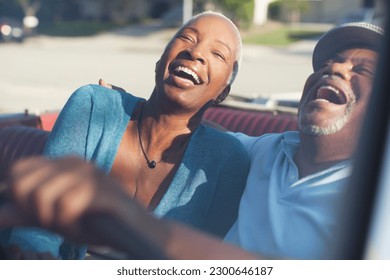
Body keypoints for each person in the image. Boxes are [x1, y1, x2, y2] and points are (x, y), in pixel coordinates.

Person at [0, 21, 384, 260]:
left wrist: (132, 223)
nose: (334, 68)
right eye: (326, 65)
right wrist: (116, 105)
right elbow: (182, 127)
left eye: (362, 70)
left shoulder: (377, 202)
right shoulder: (264, 151)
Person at [0, 11, 250, 259]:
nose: (196, 53)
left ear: (222, 93)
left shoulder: (228, 160)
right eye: (187, 38)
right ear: (160, 60)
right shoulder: (94, 105)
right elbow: (37, 228)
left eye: (218, 54)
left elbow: (200, 264)